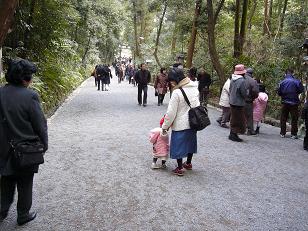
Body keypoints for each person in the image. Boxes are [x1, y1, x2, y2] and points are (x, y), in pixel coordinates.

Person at [0, 59, 48, 225]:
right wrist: (44, 144)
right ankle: (23, 214)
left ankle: (2, 210)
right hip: (26, 149)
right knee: (25, 182)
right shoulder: (30, 96)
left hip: (3, 148)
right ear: (25, 78)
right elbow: (40, 124)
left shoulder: (0, 93)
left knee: (6, 179)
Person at [161, 67, 199, 176]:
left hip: (181, 123)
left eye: (172, 81)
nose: (171, 83)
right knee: (190, 143)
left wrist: (165, 126)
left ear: (176, 79)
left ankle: (179, 167)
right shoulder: (194, 87)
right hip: (193, 122)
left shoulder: (177, 92)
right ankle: (188, 163)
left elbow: (171, 113)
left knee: (178, 145)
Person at [278, 68, 304, 139]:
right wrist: (295, 93)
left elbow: (279, 92)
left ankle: (282, 133)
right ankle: (293, 134)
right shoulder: (297, 81)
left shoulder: (282, 82)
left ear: (285, 74)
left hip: (284, 102)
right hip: (294, 102)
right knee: (294, 118)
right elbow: (301, 90)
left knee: (283, 117)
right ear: (292, 73)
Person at [229, 64, 247, 142]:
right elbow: (243, 92)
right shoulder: (242, 81)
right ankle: (234, 134)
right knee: (238, 119)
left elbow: (230, 89)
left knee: (233, 118)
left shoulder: (232, 79)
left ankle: (232, 133)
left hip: (232, 101)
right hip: (238, 103)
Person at [244, 68, 259, 135]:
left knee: (241, 115)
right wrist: (253, 98)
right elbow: (255, 92)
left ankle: (240, 129)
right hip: (248, 101)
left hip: (240, 100)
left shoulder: (241, 79)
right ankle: (250, 130)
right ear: (252, 74)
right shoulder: (253, 81)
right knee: (249, 116)